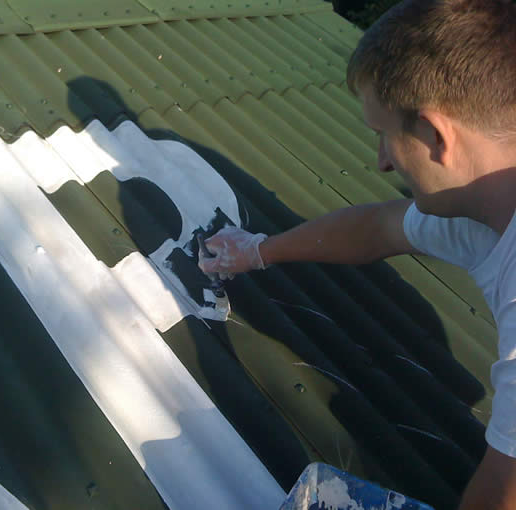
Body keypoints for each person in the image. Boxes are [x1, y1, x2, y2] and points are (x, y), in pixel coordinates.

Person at [198, 1, 516, 508]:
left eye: (383, 136)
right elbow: (377, 228)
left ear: (436, 135)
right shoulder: (487, 202)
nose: (382, 162)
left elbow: (504, 493)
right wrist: (261, 251)